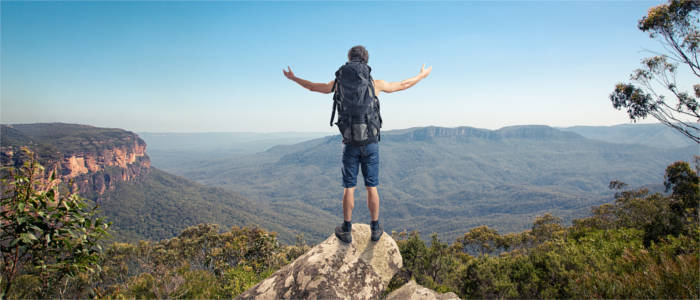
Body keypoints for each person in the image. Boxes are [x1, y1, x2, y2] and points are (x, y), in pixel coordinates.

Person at [283, 45, 431, 243]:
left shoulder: (338, 84)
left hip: (350, 142)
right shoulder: (375, 84)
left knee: (349, 188)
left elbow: (312, 87)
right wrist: (421, 76)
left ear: (349, 59)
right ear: (366, 62)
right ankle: (376, 228)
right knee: (372, 187)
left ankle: (346, 228)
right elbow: (403, 85)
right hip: (370, 142)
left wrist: (294, 78)